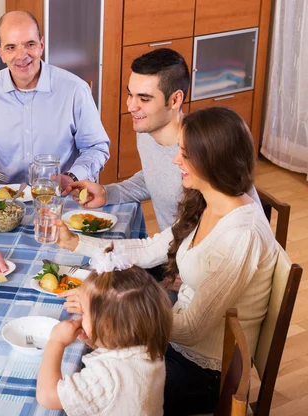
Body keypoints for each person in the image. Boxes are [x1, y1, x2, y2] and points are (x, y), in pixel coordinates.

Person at [52, 107, 279, 415]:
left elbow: (192, 329)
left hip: (204, 373)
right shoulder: (208, 201)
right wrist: (75, 242)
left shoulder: (241, 234)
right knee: (90, 362)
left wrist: (110, 311)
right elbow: (150, 249)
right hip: (175, 347)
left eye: (184, 154)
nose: (175, 161)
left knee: (85, 390)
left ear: (212, 159)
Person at [65, 48, 261, 232]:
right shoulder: (146, 131)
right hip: (172, 253)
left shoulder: (203, 153)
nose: (131, 106)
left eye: (144, 99)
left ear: (175, 100)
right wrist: (107, 193)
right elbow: (154, 176)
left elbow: (239, 225)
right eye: (130, 94)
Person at [0, 11, 110, 186]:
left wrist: (72, 177)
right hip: (0, 201)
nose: (22, 56)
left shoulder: (75, 89)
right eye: (11, 47)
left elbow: (96, 147)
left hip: (58, 196)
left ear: (41, 45)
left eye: (30, 44)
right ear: (1, 53)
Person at [36, 246, 173, 416]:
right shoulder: (151, 345)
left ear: (106, 325)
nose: (81, 316)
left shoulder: (106, 377)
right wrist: (94, 339)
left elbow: (48, 397)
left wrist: (55, 342)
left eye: (84, 312)